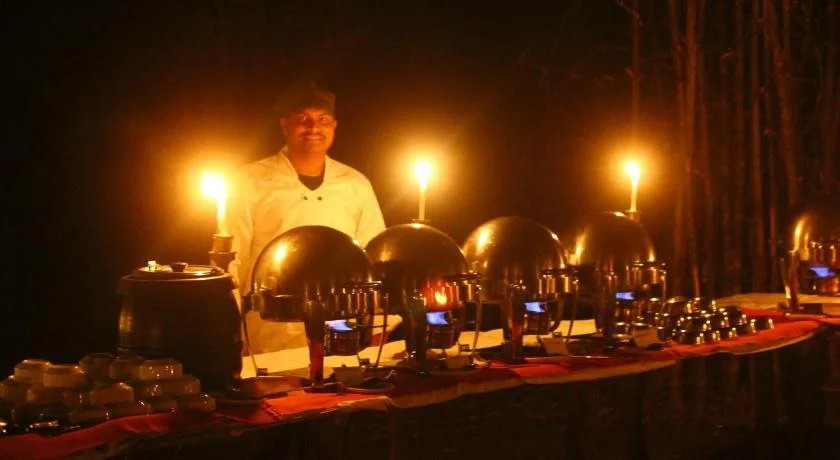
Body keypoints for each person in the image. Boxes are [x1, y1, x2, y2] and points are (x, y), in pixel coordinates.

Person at [229, 80, 386, 353]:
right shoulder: (248, 181)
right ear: (285, 125)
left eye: (323, 120)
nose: (314, 128)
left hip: (341, 327)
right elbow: (232, 259)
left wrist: (379, 323)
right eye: (303, 119)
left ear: (334, 126)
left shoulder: (355, 184)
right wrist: (229, 326)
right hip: (271, 330)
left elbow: (373, 255)